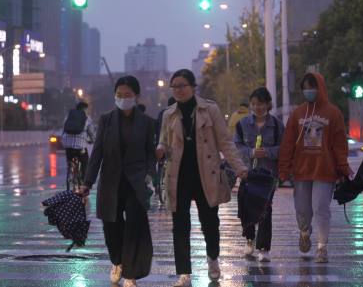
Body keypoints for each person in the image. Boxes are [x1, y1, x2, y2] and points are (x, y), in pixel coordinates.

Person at [156, 69, 248, 287]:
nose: (178, 90)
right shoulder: (168, 114)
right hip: (178, 176)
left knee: (209, 222)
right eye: (174, 86)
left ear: (193, 87)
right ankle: (184, 273)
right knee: (180, 225)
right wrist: (160, 148)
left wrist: (240, 168)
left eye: (182, 86)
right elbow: (163, 141)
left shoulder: (210, 109)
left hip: (206, 174)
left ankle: (213, 257)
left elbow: (225, 142)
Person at [80, 76, 156, 287]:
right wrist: (87, 182)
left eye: (128, 95)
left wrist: (150, 173)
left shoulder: (147, 122)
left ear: (136, 96)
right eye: (119, 95)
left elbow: (151, 153)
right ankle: (118, 262)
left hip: (136, 183)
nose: (123, 98)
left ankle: (130, 274)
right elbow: (97, 154)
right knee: (111, 227)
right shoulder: (106, 120)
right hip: (111, 182)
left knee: (133, 226)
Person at [278, 72, 352, 263]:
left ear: (320, 87)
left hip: (325, 170)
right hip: (302, 171)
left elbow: (339, 144)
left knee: (321, 208)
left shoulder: (333, 113)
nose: (308, 91)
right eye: (305, 87)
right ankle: (304, 232)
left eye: (312, 86)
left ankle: (322, 247)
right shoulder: (297, 114)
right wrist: (284, 169)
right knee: (303, 209)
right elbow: (287, 143)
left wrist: (342, 167)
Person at [234, 87, 284, 262]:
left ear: (268, 104)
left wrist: (268, 152)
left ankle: (263, 247)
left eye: (261, 104)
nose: (257, 107)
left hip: (268, 176)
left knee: (265, 209)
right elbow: (236, 147)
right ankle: (249, 238)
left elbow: (283, 148)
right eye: (254, 104)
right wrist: (250, 152)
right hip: (247, 173)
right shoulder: (242, 124)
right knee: (246, 207)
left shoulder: (277, 125)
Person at [61, 101, 94, 190]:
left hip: (67, 144)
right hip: (80, 146)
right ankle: (83, 181)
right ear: (85, 109)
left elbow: (64, 129)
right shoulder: (87, 118)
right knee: (85, 162)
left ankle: (70, 173)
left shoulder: (68, 116)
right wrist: (92, 140)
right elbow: (91, 133)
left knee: (70, 160)